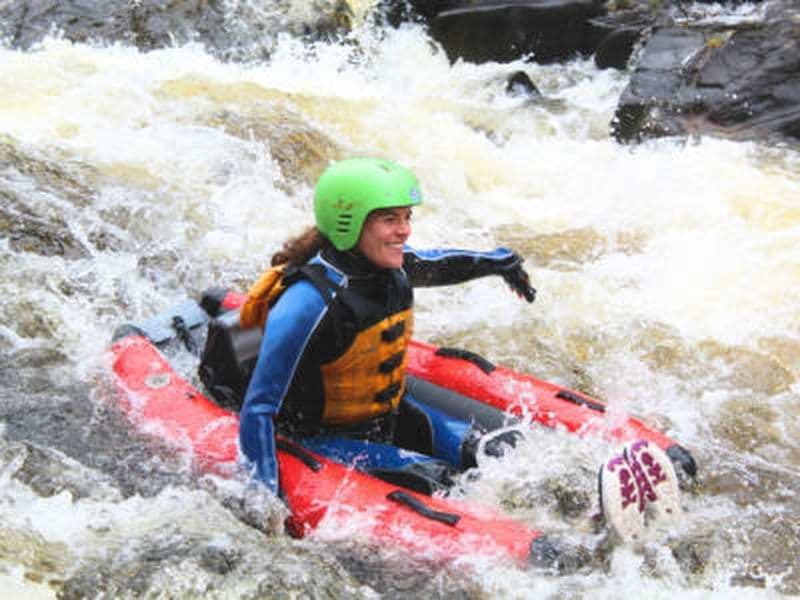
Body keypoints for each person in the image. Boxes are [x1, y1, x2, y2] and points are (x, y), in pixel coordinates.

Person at [239, 157, 536, 497]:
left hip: (390, 418)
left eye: (407, 217)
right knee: (442, 482)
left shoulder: (392, 267)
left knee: (497, 453)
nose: (405, 230)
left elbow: (444, 264)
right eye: (390, 219)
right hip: (324, 439)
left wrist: (499, 262)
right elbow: (259, 409)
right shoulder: (307, 302)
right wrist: (263, 497)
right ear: (349, 225)